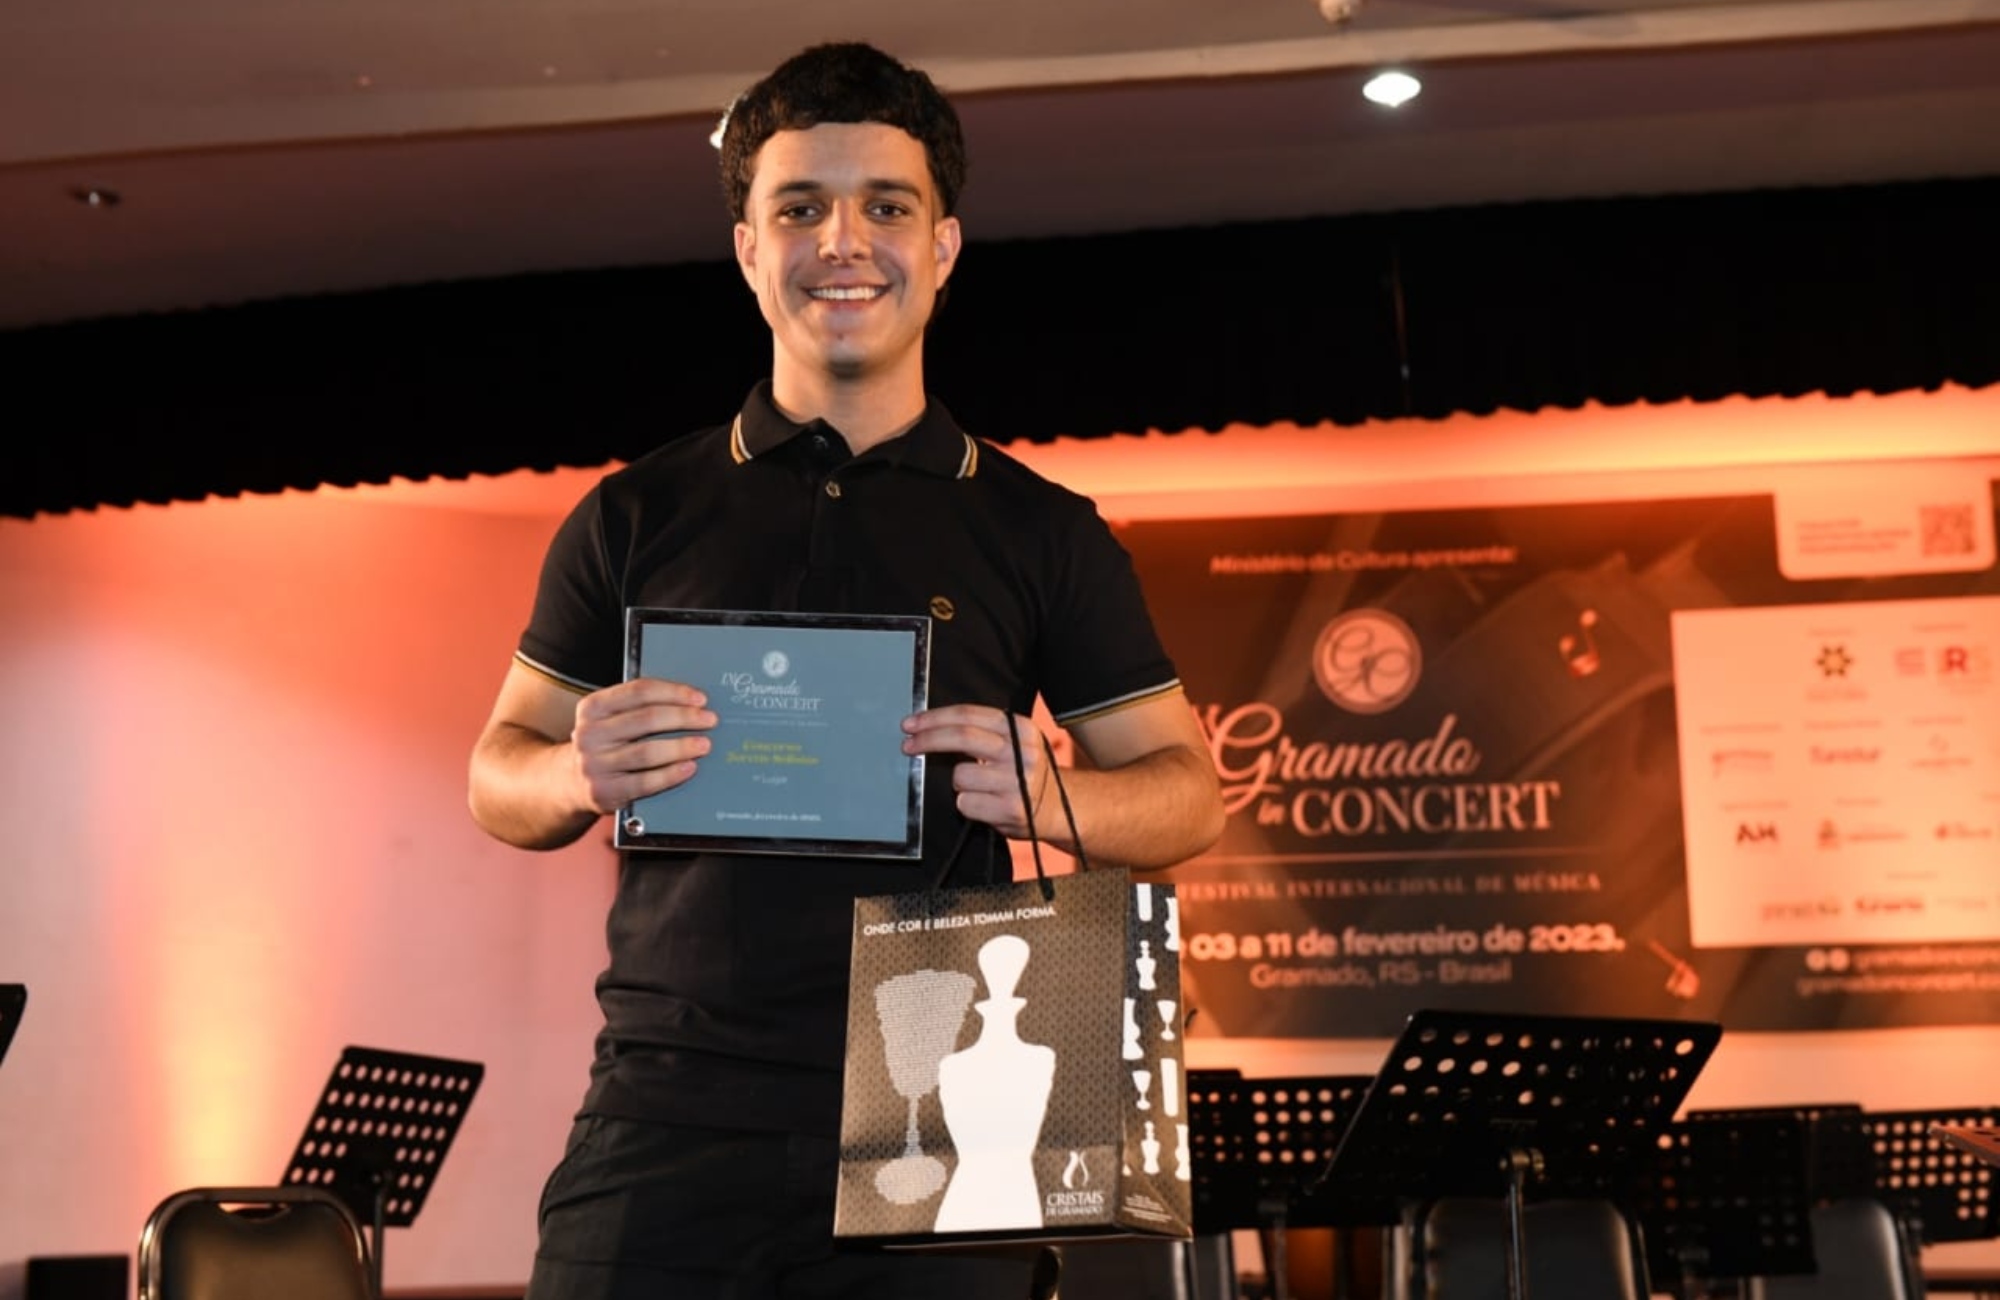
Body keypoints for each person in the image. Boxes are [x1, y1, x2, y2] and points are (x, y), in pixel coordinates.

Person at [467, 39, 1224, 1300]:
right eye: (798, 209)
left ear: (943, 245)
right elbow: (496, 775)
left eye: (885, 206)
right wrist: (570, 772)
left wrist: (1055, 796)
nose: (842, 242)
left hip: (939, 1110)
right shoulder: (634, 512)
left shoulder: (1038, 529)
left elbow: (1189, 795)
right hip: (668, 1105)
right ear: (747, 249)